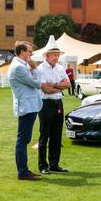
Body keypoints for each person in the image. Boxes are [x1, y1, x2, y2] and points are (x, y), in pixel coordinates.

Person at [8, 41, 43, 181]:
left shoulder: (20, 66)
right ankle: (22, 172)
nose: (31, 54)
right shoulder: (19, 67)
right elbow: (36, 83)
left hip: (28, 106)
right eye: (29, 51)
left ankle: (24, 170)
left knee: (24, 139)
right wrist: (34, 68)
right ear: (22, 52)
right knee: (23, 140)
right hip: (27, 107)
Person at [37, 39, 72, 175]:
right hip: (45, 104)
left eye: (57, 54)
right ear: (47, 55)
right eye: (54, 54)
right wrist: (59, 86)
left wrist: (55, 85)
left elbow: (68, 84)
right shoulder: (40, 69)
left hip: (58, 103)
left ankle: (54, 164)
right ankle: (42, 166)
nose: (56, 57)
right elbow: (45, 89)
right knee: (44, 135)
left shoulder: (59, 67)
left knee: (57, 136)